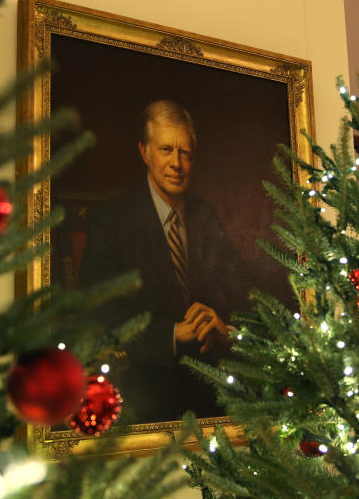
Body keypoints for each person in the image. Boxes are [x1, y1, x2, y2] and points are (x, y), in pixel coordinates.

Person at [78, 100, 247, 422]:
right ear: (144, 152)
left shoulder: (205, 215)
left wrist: (226, 329)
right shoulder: (113, 219)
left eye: (185, 152)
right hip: (143, 384)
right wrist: (171, 334)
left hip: (211, 377)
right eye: (166, 149)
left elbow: (246, 292)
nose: (177, 164)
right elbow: (96, 310)